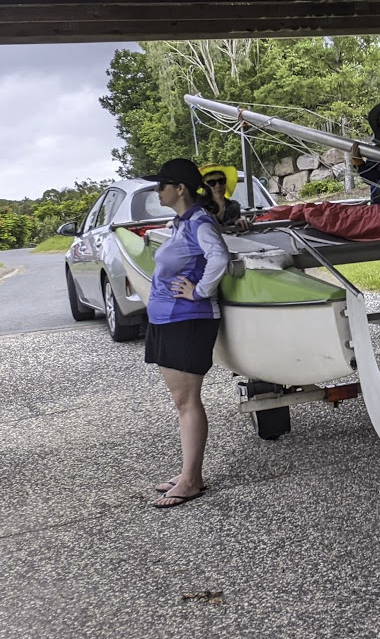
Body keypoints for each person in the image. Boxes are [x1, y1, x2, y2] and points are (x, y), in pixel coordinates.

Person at [142, 158, 229, 508]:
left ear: (180, 188)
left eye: (161, 185)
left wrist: (200, 290)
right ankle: (187, 472)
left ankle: (192, 479)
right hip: (167, 319)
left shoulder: (199, 222)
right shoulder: (179, 224)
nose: (156, 190)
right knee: (182, 402)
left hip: (188, 318)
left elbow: (219, 257)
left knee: (187, 401)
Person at [199, 163, 251, 232]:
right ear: (204, 186)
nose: (218, 186)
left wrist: (240, 221)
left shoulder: (234, 206)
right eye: (211, 183)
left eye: (221, 181)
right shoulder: (200, 208)